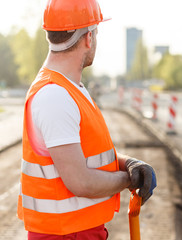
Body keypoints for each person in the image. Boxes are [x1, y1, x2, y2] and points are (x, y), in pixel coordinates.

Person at [17, 0, 157, 239]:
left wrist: (127, 163)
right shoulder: (54, 95)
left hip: (79, 230)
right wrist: (126, 180)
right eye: (96, 32)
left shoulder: (69, 88)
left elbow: (82, 155)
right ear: (88, 38)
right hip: (65, 234)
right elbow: (80, 181)